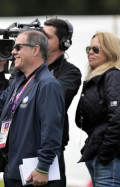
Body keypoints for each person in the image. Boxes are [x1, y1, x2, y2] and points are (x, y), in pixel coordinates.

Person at [0, 30, 65, 187]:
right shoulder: (19, 82)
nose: (13, 51)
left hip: (35, 173)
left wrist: (43, 167)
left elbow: (51, 130)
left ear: (35, 50)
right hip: (14, 170)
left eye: (18, 47)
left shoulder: (48, 84)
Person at [0, 18, 82, 187]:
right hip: (16, 151)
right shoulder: (22, 72)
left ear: (64, 43)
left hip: (45, 155)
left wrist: (43, 165)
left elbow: (51, 104)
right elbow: (4, 105)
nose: (38, 38)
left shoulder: (70, 73)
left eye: (45, 36)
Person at [75, 32, 120, 186]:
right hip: (97, 154)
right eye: (89, 49)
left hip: (109, 158)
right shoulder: (96, 78)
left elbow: (118, 119)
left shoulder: (113, 76)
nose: (90, 53)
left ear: (110, 51)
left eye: (96, 49)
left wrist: (105, 154)